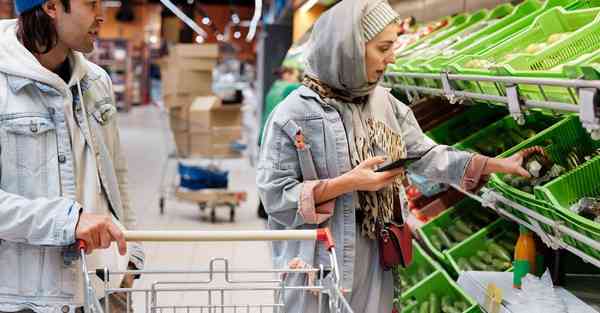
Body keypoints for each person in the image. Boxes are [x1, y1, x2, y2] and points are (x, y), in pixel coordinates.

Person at [256, 1, 541, 312]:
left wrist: (496, 164)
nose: (392, 57)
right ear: (349, 48)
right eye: (383, 48)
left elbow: (427, 155)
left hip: (376, 259)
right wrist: (348, 183)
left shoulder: (385, 104)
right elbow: (275, 195)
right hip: (321, 266)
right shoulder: (294, 114)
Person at [0, 0, 144, 312]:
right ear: (52, 6)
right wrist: (68, 220)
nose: (102, 15)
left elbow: (117, 174)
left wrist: (132, 255)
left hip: (108, 288)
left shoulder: (96, 82)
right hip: (34, 300)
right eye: (92, 4)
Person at [257, 60, 302, 219]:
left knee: (266, 173)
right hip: (272, 137)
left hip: (264, 135)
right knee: (275, 177)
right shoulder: (286, 89)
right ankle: (268, 209)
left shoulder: (275, 87)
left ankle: (262, 208)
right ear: (288, 74)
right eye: (297, 74)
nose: (299, 78)